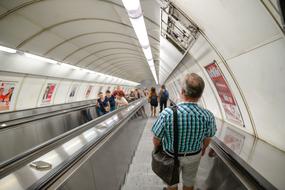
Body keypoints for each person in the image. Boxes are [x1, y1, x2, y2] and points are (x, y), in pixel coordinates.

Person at [151, 73, 217, 190]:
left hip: (171, 156)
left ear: (182, 91)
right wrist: (203, 149)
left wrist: (159, 149)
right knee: (189, 183)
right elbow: (208, 138)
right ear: (200, 95)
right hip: (194, 155)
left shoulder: (167, 113)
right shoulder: (208, 116)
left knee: (171, 183)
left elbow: (156, 139)